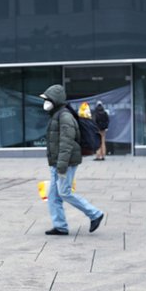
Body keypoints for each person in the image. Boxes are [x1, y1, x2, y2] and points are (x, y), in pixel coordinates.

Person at [39, 84, 105, 236]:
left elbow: (66, 142)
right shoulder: (57, 115)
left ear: (55, 100)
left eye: (47, 99)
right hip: (57, 162)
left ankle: (95, 214)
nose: (45, 103)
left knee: (64, 192)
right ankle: (60, 226)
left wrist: (61, 165)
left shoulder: (64, 116)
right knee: (53, 197)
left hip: (66, 162)